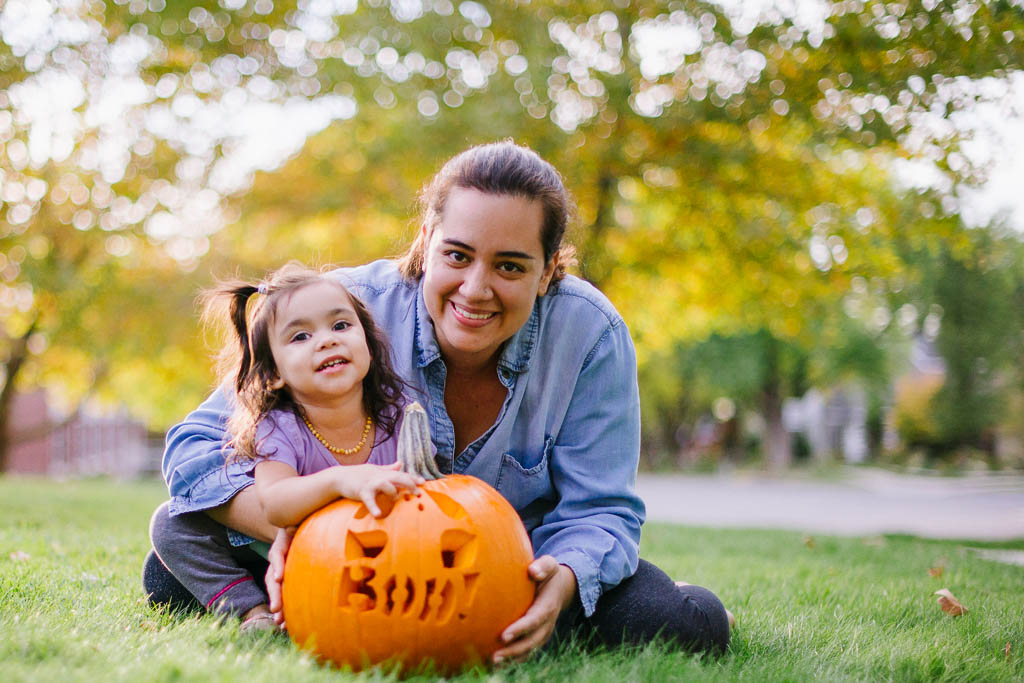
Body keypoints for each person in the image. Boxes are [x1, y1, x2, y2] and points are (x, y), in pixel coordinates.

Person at [144, 140, 731, 658]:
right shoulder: (337, 315)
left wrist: (566, 580)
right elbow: (195, 451)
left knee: (665, 622)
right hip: (360, 564)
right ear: (425, 242)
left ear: (549, 270)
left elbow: (602, 508)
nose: (475, 290)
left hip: (510, 567)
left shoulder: (591, 335)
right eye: (457, 255)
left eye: (509, 265)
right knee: (169, 568)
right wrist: (307, 529)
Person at [146, 264, 422, 631]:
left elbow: (423, 493)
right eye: (300, 336)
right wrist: (339, 480)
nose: (327, 340)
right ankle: (251, 610)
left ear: (368, 341)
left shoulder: (396, 413)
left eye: (341, 326)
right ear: (274, 371)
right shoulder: (279, 426)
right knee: (171, 524)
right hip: (275, 545)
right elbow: (275, 503)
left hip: (370, 555)